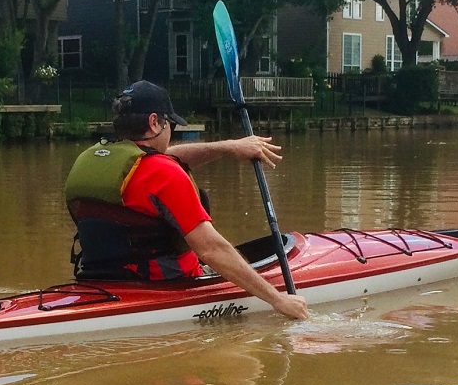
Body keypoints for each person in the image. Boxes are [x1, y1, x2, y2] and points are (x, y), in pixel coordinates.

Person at [65, 80, 308, 320]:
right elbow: (212, 249)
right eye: (169, 123)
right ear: (154, 122)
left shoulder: (92, 160)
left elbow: (163, 158)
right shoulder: (163, 174)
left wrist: (230, 148)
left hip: (98, 279)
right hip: (168, 285)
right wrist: (279, 299)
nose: (171, 131)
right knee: (232, 258)